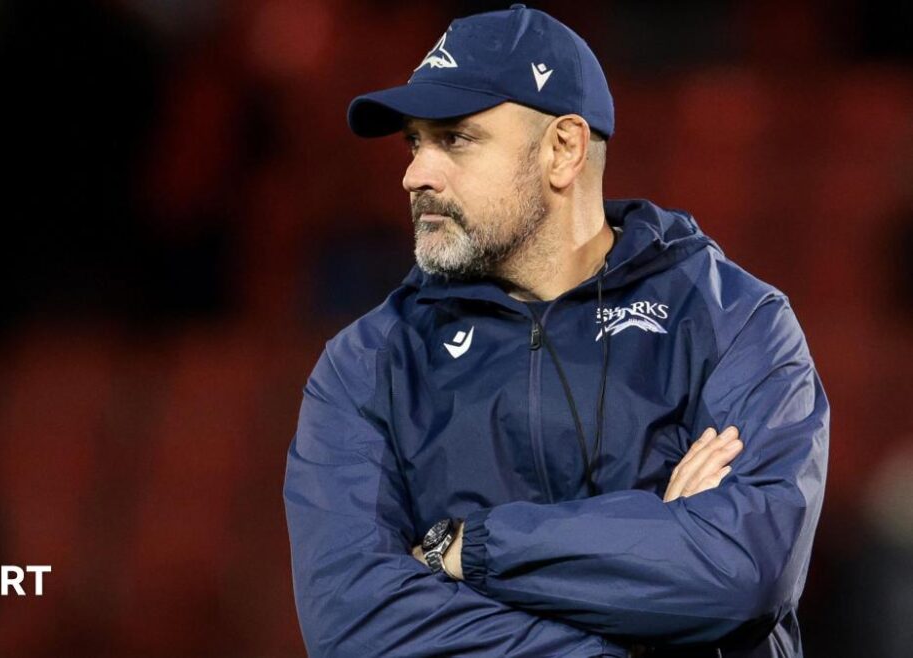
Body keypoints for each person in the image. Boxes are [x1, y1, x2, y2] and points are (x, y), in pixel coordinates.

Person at [283, 5, 828, 657]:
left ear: (564, 149)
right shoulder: (366, 365)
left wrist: (469, 550)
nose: (415, 174)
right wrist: (656, 567)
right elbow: (353, 626)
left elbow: (745, 571)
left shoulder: (732, 318)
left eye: (454, 139)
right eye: (414, 143)